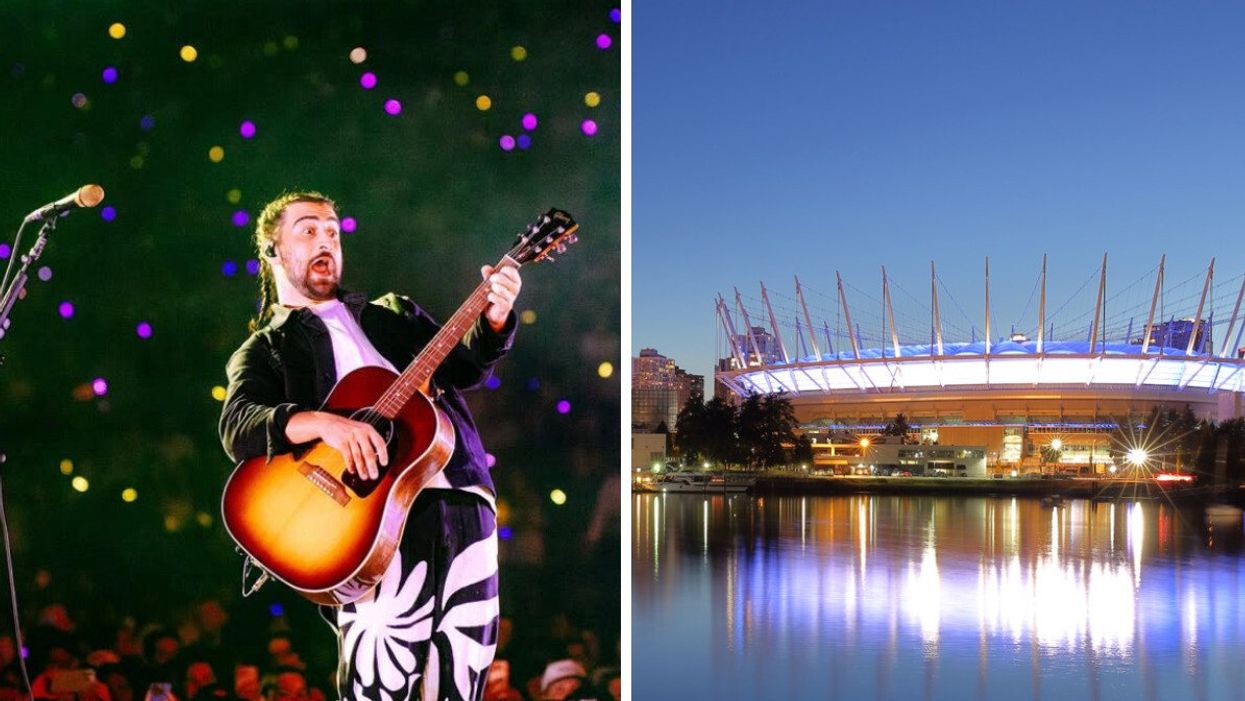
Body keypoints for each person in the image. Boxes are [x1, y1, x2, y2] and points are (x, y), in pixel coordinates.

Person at [218, 192, 521, 701]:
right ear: (271, 251)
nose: (325, 241)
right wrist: (324, 425)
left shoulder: (391, 314)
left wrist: (494, 319)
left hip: (462, 497)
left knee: (460, 680)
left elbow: (465, 370)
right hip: (370, 523)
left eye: (333, 232)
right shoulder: (268, 346)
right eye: (308, 230)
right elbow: (239, 426)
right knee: (382, 679)